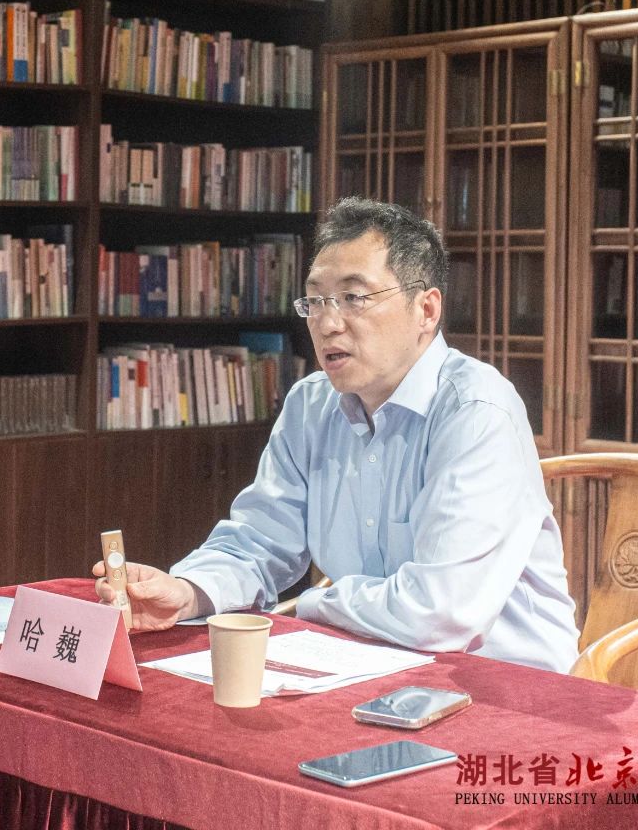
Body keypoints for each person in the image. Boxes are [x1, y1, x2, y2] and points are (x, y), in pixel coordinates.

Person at [93, 197, 580, 673]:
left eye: (354, 298)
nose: (327, 323)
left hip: (509, 685)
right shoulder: (311, 405)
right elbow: (259, 543)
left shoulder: (476, 411)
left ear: (426, 310)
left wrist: (316, 603)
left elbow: (443, 612)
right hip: (373, 665)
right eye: (316, 301)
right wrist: (187, 592)